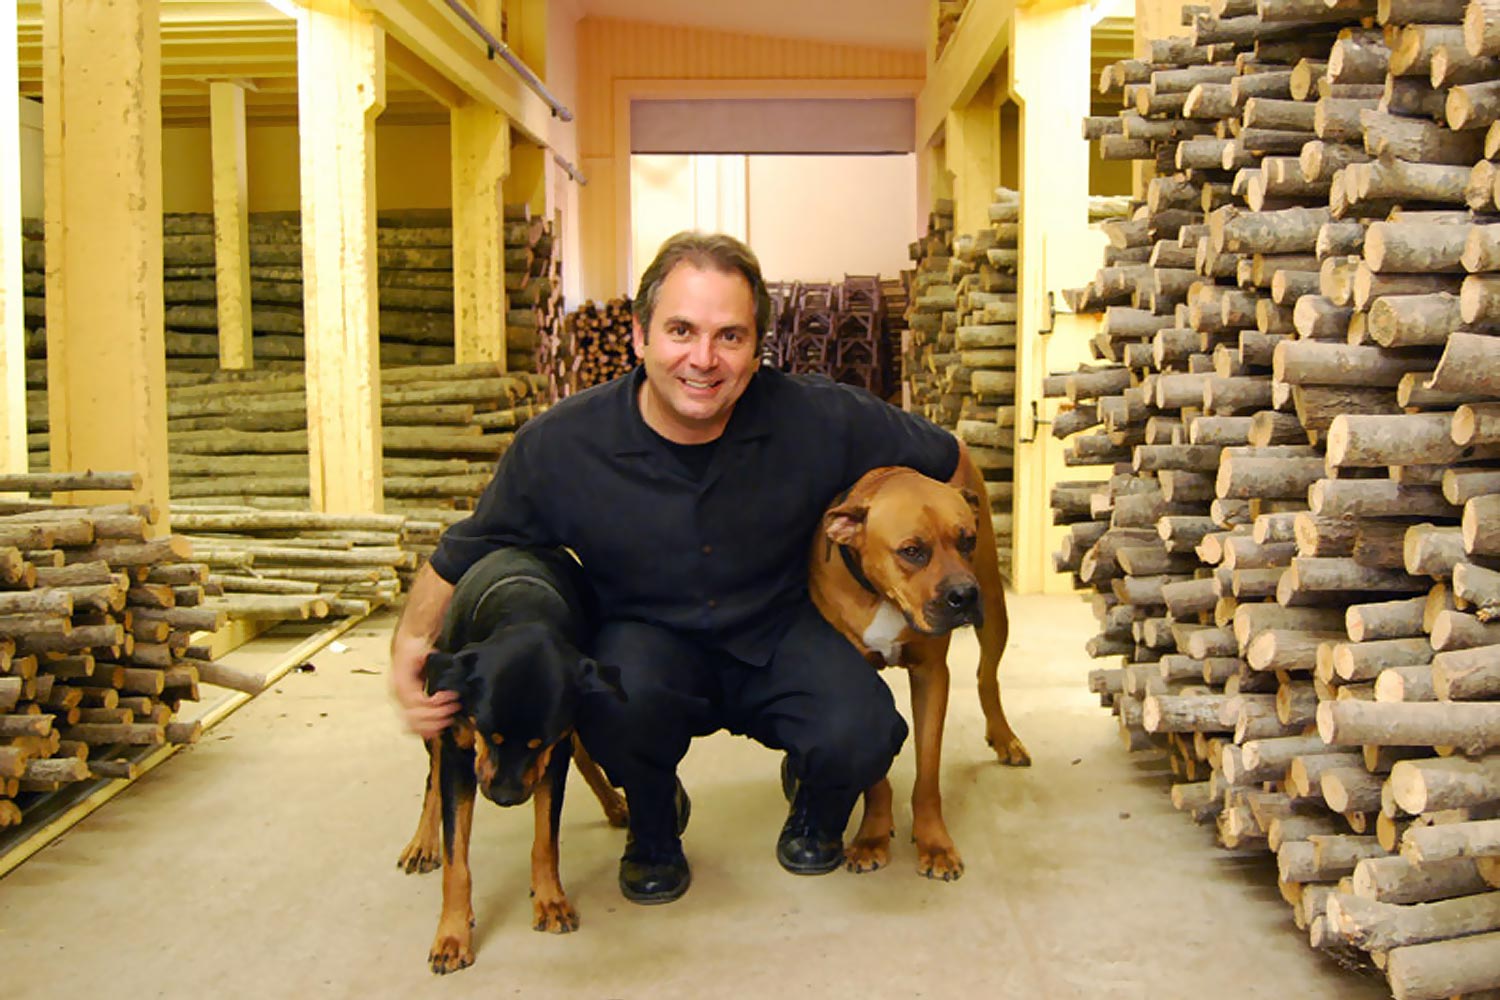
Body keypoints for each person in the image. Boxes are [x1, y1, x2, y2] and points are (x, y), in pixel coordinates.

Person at [390, 231, 964, 905]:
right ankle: (654, 821)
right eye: (681, 330)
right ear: (639, 336)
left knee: (863, 731)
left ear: (758, 347)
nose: (703, 359)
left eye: (730, 336)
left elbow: (945, 459)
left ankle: (817, 801)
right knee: (605, 702)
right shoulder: (563, 445)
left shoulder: (819, 416)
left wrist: (919, 566)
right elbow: (470, 544)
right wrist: (411, 641)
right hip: (648, 641)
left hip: (778, 632)